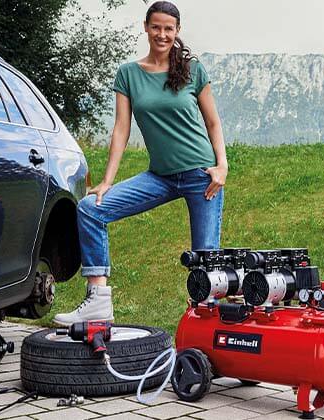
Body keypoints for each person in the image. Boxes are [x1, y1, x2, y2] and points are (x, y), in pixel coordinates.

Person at [53, 1, 227, 326]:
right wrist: (107, 180)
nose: (162, 34)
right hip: (160, 176)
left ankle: (204, 328)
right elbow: (121, 128)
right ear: (146, 27)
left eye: (169, 29)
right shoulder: (129, 73)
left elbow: (213, 123)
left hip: (201, 176)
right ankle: (98, 302)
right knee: (91, 208)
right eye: (156, 27)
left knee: (204, 261)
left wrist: (222, 166)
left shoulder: (192, 69)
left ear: (177, 32)